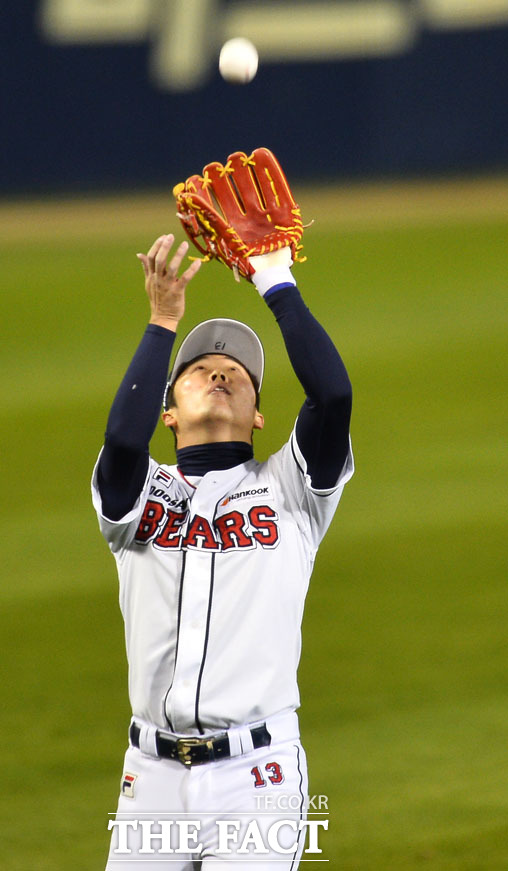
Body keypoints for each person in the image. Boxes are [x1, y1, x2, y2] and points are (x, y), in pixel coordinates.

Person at [92, 232, 354, 869]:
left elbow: (334, 396)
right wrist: (161, 324)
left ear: (260, 415)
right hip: (149, 779)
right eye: (199, 370)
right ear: (169, 413)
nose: (218, 371)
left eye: (237, 372)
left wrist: (275, 280)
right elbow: (122, 441)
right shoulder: (136, 497)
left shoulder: (291, 489)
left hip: (256, 777)